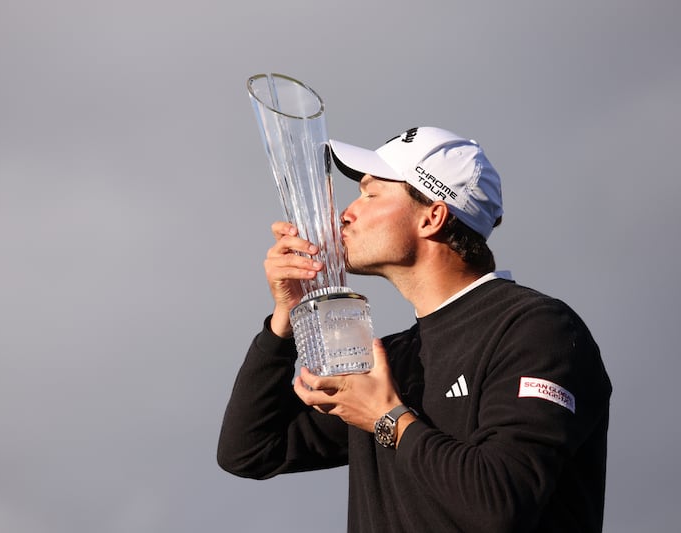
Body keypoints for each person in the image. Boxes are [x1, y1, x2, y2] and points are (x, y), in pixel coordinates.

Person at [217, 126, 611, 532]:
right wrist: (286, 317)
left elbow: (500, 502)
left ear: (432, 217)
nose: (347, 212)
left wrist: (386, 417)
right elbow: (250, 449)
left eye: (371, 194)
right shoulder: (396, 357)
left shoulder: (537, 329)